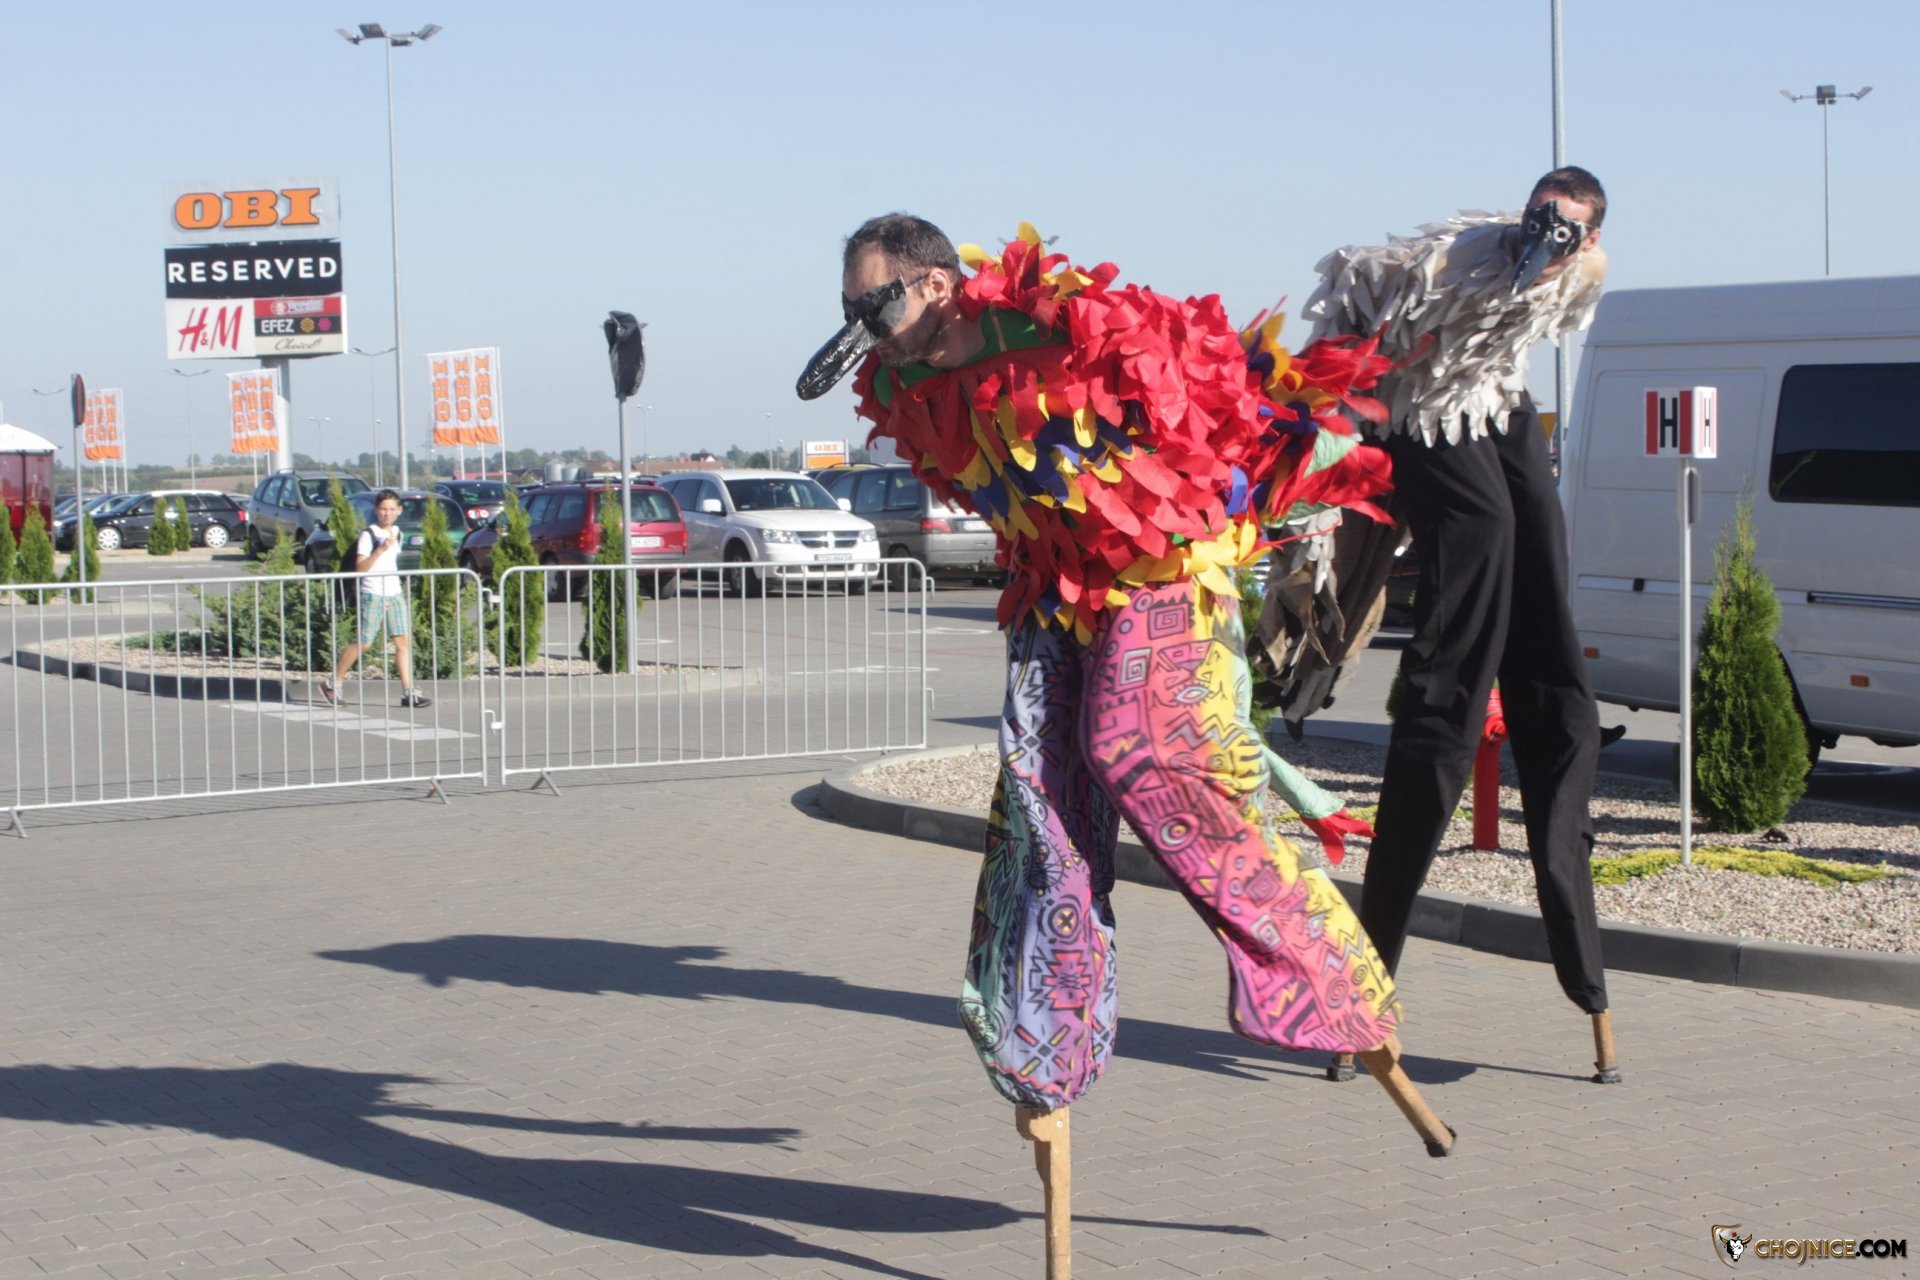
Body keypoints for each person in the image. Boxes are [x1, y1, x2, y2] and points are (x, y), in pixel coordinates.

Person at [795, 215, 1419, 1117]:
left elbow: (1206, 387)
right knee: (1038, 793)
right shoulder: (896, 381)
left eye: (877, 305)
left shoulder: (1058, 320)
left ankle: (1321, 978)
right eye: (852, 309)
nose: (868, 328)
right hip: (1055, 584)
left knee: (1143, 750)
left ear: (936, 283)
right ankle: (1043, 1042)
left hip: (1164, 562)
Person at [1301, 167, 1619, 1080]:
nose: (1543, 239)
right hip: (1421, 407)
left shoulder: (1584, 273)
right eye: (1537, 220)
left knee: (1538, 540)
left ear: (1590, 238)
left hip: (1492, 399)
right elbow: (1359, 285)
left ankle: (1580, 946)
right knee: (1483, 530)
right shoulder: (1460, 260)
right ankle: (1449, 679)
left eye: (1563, 231)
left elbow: (1527, 324)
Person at [319, 489, 432, 709]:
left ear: (399, 511)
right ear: (376, 510)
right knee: (364, 642)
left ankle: (409, 692)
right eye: (383, 509)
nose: (387, 513)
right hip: (372, 593)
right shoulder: (368, 535)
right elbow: (361, 568)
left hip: (394, 592)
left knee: (402, 642)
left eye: (391, 509)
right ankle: (333, 683)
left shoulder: (397, 532)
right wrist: (379, 550)